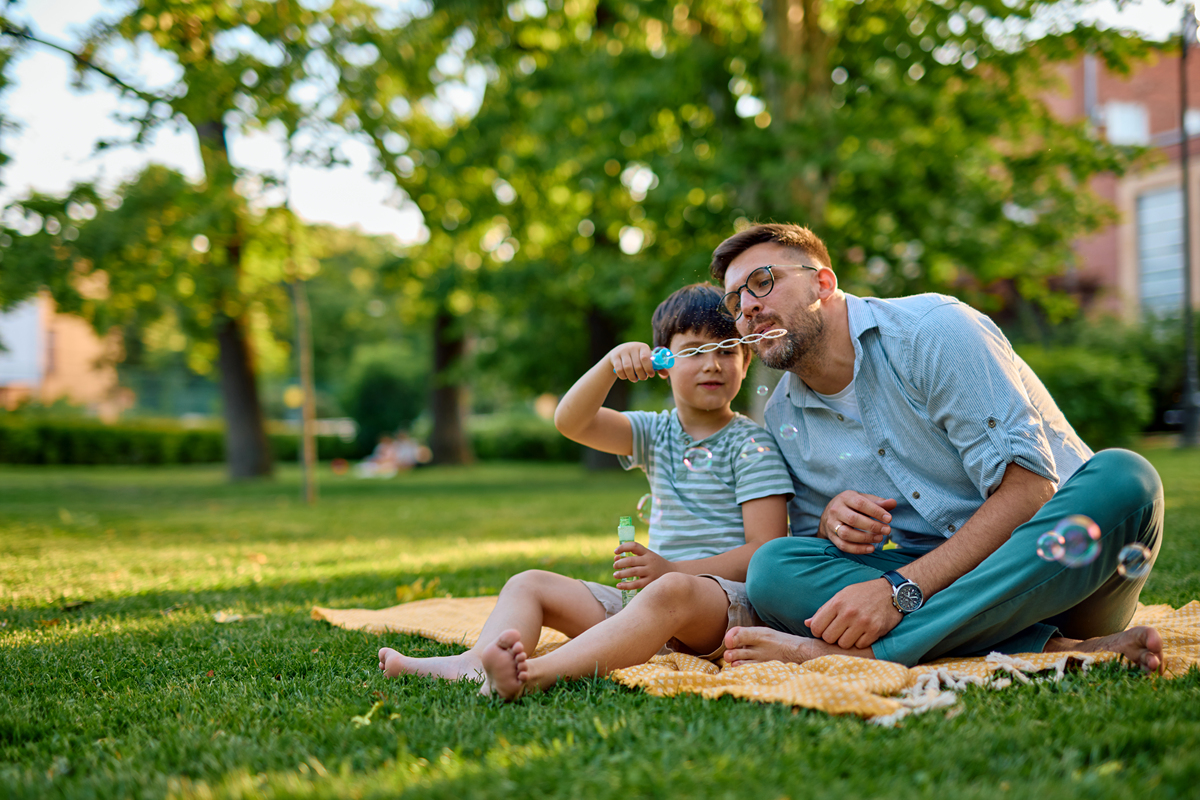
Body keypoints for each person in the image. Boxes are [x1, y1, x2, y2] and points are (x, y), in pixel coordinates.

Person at [710, 223, 1165, 673]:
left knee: (1127, 478)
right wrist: (831, 524)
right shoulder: (782, 414)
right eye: (734, 301)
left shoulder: (933, 330)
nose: (747, 307)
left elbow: (1031, 490)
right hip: (937, 587)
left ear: (823, 283)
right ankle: (1055, 648)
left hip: (1056, 572)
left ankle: (869, 655)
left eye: (763, 282)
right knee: (773, 569)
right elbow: (820, 556)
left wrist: (897, 591)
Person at [377, 283, 794, 698]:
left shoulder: (751, 445)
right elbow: (570, 422)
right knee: (527, 583)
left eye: (726, 351)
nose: (712, 364)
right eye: (694, 351)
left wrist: (672, 570)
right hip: (649, 608)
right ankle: (474, 666)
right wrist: (610, 365)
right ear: (662, 363)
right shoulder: (654, 432)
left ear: (745, 361)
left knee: (671, 591)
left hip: (723, 609)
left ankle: (533, 675)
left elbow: (765, 552)